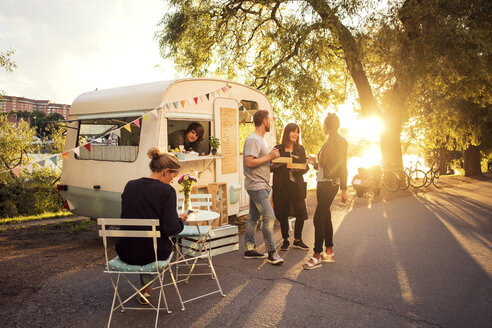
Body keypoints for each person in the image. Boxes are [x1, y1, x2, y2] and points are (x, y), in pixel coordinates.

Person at [115, 147, 188, 303]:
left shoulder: (130, 185)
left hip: (125, 251)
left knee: (146, 240)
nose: (172, 180)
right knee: (153, 243)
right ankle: (145, 291)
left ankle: (144, 292)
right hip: (153, 254)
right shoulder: (167, 191)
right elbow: (171, 229)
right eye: (173, 176)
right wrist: (180, 220)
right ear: (165, 171)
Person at [303, 113, 348, 270]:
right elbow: (324, 167)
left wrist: (344, 188)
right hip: (321, 183)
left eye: (324, 124)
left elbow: (342, 165)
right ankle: (329, 251)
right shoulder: (327, 142)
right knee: (326, 217)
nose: (322, 127)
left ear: (328, 126)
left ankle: (317, 255)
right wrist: (315, 163)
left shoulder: (341, 141)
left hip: (331, 184)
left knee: (317, 218)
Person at [243, 109, 284, 265]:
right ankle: (272, 252)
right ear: (264, 121)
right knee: (269, 217)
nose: (270, 123)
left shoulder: (261, 140)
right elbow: (249, 162)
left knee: (253, 217)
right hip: (256, 185)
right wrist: (269, 157)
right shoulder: (253, 139)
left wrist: (273, 163)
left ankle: (249, 249)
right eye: (269, 120)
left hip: (262, 183)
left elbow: (260, 162)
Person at [271, 123, 310, 251]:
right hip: (282, 187)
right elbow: (270, 167)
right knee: (283, 213)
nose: (295, 134)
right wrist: (280, 165)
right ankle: (285, 240)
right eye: (293, 131)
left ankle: (298, 240)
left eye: (297, 132)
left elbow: (306, 167)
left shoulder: (300, 149)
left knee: (300, 212)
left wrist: (296, 169)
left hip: (296, 186)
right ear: (287, 133)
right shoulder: (278, 149)